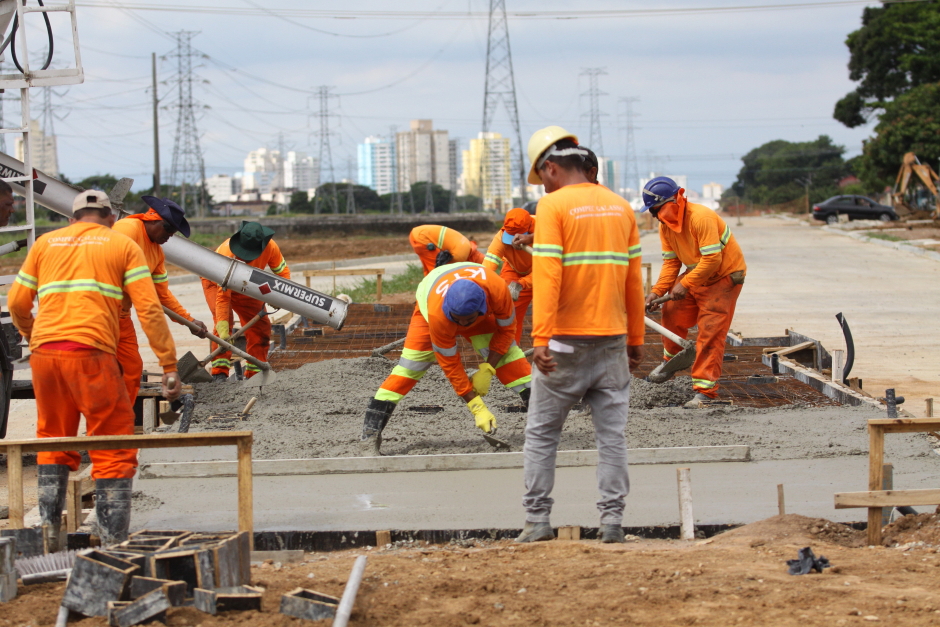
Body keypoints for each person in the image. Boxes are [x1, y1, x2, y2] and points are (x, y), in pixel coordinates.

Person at [8, 190, 182, 549]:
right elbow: (148, 310)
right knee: (112, 441)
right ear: (111, 217)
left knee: (53, 440)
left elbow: (16, 302)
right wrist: (168, 364)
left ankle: (48, 538)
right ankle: (113, 544)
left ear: (72, 219)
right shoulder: (121, 245)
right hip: (91, 354)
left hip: (44, 356)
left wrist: (32, 335)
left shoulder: (44, 243)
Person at [518, 126, 645, 544]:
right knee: (612, 438)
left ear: (550, 167)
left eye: (543, 176)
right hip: (612, 343)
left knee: (541, 434)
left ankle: (537, 523)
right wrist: (636, 339)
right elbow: (633, 283)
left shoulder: (552, 207)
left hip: (563, 345)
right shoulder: (621, 208)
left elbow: (548, 273)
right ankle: (612, 523)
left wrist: (541, 338)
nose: (544, 183)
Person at [359, 262, 532, 456]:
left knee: (510, 360)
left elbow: (507, 330)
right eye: (457, 320)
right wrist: (475, 405)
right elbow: (450, 364)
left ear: (483, 307)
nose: (462, 325)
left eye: (467, 321)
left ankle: (543, 427)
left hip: (476, 308)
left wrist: (488, 368)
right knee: (408, 369)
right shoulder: (438, 315)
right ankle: (370, 435)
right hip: (433, 302)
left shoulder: (498, 291)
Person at [642, 176, 746, 408]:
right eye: (652, 212)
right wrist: (657, 292)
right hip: (697, 274)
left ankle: (705, 393)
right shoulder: (665, 227)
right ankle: (672, 361)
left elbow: (712, 260)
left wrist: (685, 284)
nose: (656, 216)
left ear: (675, 201)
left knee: (710, 332)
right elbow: (671, 263)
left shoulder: (701, 218)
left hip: (723, 277)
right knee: (671, 310)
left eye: (657, 209)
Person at [112, 196, 207, 400]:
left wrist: (188, 320)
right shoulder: (127, 230)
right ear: (153, 220)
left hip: (121, 317)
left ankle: (122, 421)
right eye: (168, 230)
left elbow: (162, 294)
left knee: (132, 367)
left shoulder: (157, 253)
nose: (169, 237)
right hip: (100, 312)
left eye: (173, 233)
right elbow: (109, 269)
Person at [202, 221, 288, 381]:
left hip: (244, 282)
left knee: (260, 326)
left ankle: (255, 374)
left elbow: (283, 273)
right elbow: (223, 297)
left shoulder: (271, 247)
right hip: (215, 281)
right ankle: (219, 373)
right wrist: (222, 328)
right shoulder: (227, 254)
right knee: (223, 323)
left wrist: (279, 296)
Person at [482, 208, 536, 343]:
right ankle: (511, 352)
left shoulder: (546, 229)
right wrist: (480, 286)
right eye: (510, 237)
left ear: (529, 229)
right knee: (509, 313)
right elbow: (487, 266)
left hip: (544, 272)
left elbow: (546, 270)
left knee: (548, 314)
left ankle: (549, 351)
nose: (512, 242)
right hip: (514, 271)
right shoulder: (500, 237)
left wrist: (521, 283)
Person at [408, 224, 485, 275]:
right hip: (421, 238)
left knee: (432, 272)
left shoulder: (467, 247)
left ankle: (426, 295)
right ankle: (433, 296)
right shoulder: (460, 255)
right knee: (438, 273)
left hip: (419, 234)